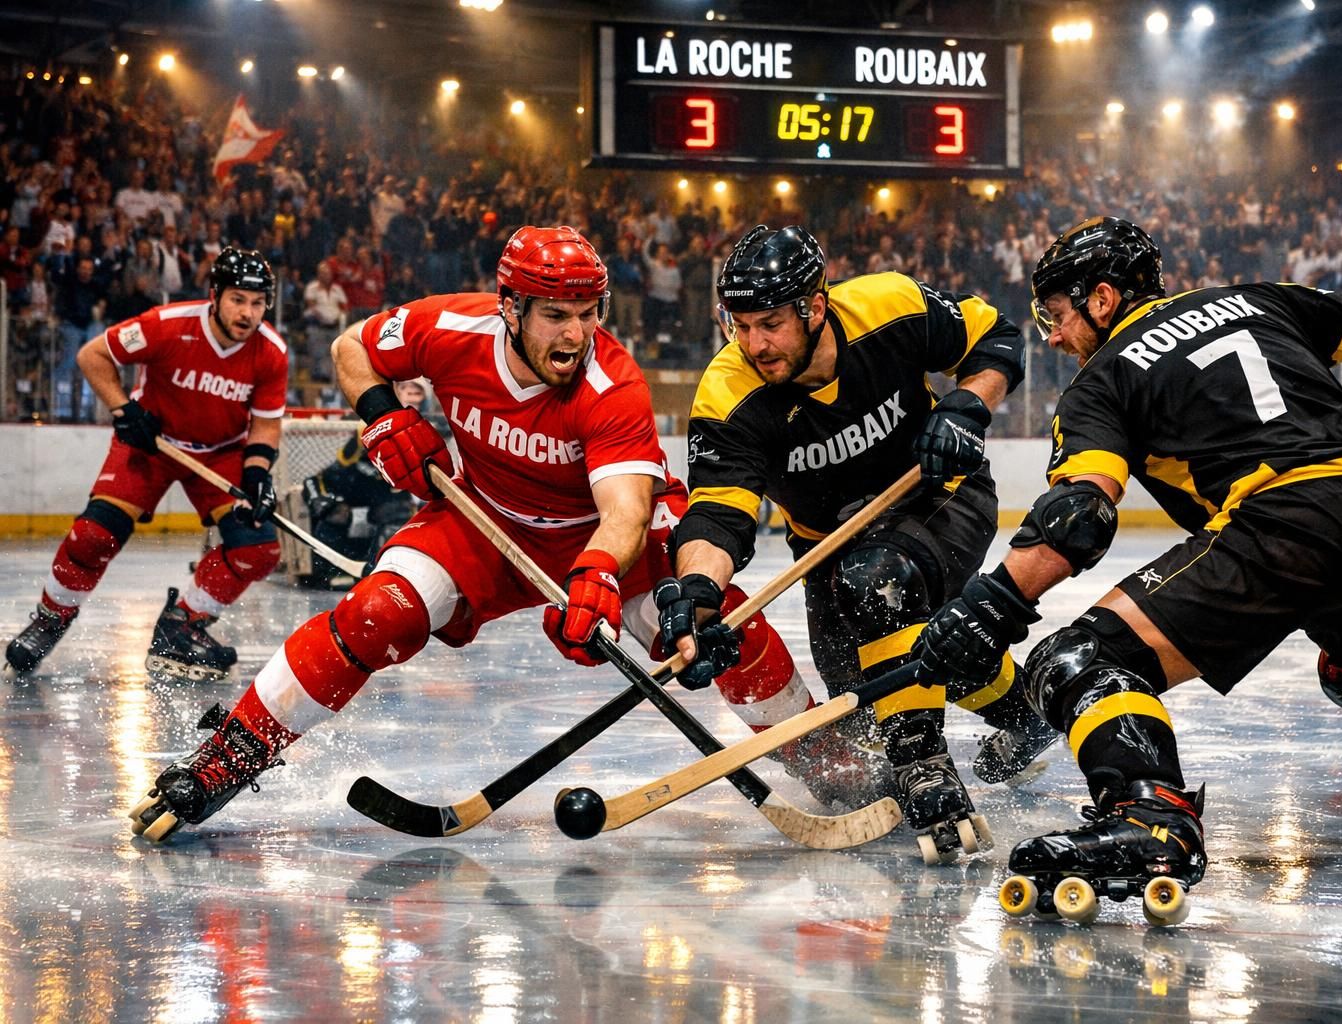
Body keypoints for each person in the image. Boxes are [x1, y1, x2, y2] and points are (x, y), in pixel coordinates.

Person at [128, 226, 866, 840]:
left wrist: (598, 572)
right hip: (480, 522)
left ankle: (828, 757)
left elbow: (626, 512)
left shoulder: (614, 384)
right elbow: (353, 346)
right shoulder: (450, 327)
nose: (577, 334)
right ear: (509, 308)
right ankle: (229, 756)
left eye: (589, 313)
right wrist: (383, 412)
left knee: (709, 623)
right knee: (375, 613)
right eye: (556, 315)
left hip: (601, 538)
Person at [913, 217, 1342, 914]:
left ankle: (1151, 820)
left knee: (1075, 660)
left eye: (1057, 316)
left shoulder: (1103, 380)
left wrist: (990, 604)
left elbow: (1079, 516)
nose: (1054, 336)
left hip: (1285, 524)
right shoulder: (1259, 298)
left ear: (1103, 299)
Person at [657, 224, 1053, 858]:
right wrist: (700, 593)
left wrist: (966, 408)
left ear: (815, 306)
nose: (753, 344)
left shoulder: (888, 306)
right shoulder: (728, 390)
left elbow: (997, 339)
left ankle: (927, 768)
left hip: (942, 498)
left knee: (879, 586)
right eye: (740, 325)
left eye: (769, 324)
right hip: (829, 549)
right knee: (873, 701)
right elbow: (718, 513)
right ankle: (1024, 715)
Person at [5, 248, 287, 681]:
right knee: (94, 536)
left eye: (257, 302)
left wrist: (256, 474)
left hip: (220, 453)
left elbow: (266, 426)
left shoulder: (271, 352)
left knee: (258, 548)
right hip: (151, 445)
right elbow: (91, 356)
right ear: (214, 295)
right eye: (237, 299)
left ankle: (182, 625)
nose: (247, 313)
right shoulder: (166, 324)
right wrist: (124, 410)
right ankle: (49, 619)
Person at [297, 379, 428, 586]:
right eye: (406, 390)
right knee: (330, 514)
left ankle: (386, 578)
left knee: (396, 515)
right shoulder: (364, 431)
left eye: (417, 393)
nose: (411, 396)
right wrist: (322, 501)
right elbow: (322, 477)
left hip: (392, 508)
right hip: (356, 501)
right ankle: (326, 574)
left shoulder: (430, 433)